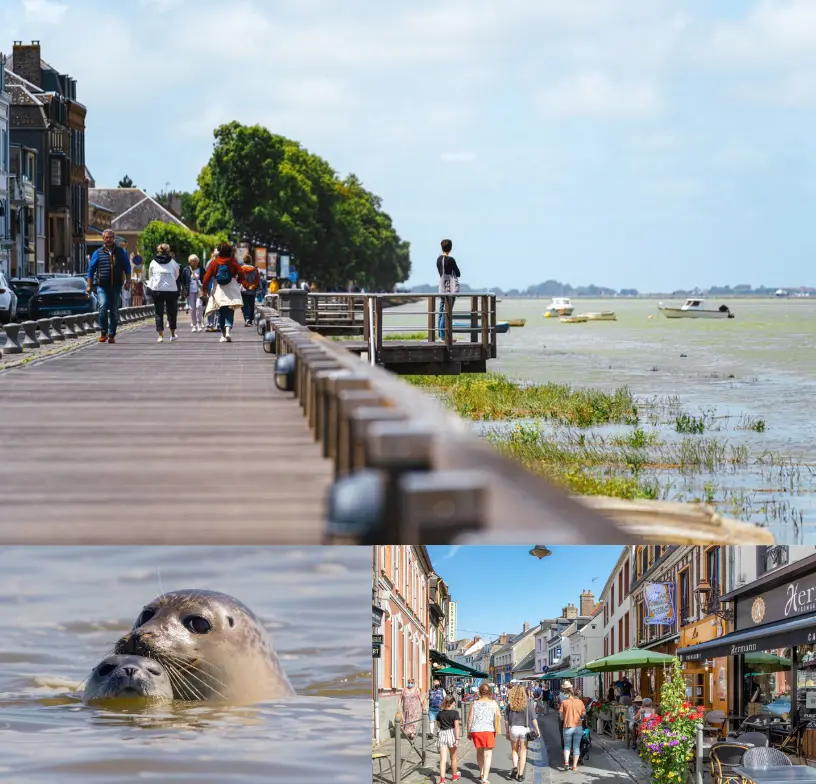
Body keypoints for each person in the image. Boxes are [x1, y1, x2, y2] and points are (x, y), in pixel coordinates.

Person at [86, 229, 132, 344]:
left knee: (114, 311)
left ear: (114, 238)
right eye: (106, 237)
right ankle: (103, 333)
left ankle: (111, 335)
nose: (108, 239)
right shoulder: (97, 253)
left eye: (110, 237)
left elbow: (127, 267)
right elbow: (91, 270)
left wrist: (128, 281)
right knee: (102, 306)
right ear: (103, 239)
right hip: (102, 286)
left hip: (116, 286)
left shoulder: (121, 252)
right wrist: (89, 286)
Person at [201, 243, 246, 343]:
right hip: (231, 287)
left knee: (221, 312)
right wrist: (239, 281)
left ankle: (223, 334)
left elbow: (206, 277)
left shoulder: (214, 262)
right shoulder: (232, 261)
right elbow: (241, 273)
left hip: (219, 288)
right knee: (230, 310)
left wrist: (204, 289)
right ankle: (228, 330)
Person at [467, 682, 501, 784]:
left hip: (476, 730)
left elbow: (470, 718)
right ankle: (485, 778)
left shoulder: (475, 703)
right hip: (488, 730)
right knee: (488, 754)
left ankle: (481, 771)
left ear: (480, 692)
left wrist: (468, 731)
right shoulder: (494, 703)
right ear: (490, 692)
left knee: (479, 752)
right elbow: (498, 715)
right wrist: (497, 728)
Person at [147, 243, 181, 343]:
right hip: (171, 289)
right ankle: (172, 334)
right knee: (172, 312)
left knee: (158, 312)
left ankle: (160, 336)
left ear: (158, 251)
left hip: (157, 289)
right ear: (168, 251)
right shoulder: (173, 262)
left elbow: (150, 275)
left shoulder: (153, 262)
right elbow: (177, 275)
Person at [505, 684, 537, 781]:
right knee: (523, 752)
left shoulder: (510, 706)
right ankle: (520, 775)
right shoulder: (528, 705)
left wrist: (507, 731)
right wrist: (537, 730)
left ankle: (515, 767)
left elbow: (506, 720)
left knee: (514, 750)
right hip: (524, 729)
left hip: (514, 729)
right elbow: (534, 719)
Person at [436, 238, 461, 342]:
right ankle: (444, 337)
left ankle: (440, 335)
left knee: (441, 312)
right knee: (446, 312)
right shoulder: (451, 260)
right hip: (450, 289)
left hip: (442, 287)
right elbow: (458, 273)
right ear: (450, 248)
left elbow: (440, 273)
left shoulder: (438, 259)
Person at [560, 686, 586, 773]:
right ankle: (574, 766)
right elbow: (583, 714)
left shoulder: (564, 702)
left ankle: (566, 763)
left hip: (567, 726)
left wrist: (566, 717)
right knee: (576, 746)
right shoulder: (580, 702)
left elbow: (561, 716)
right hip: (578, 726)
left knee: (567, 746)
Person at [436, 695, 461, 783]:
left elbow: (438, 725)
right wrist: (457, 739)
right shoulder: (455, 713)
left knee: (442, 759)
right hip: (451, 734)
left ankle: (442, 779)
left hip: (442, 734)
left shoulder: (439, 713)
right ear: (452, 703)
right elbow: (456, 727)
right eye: (454, 703)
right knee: (453, 758)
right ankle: (454, 776)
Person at [182, 255, 204, 332]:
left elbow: (205, 279)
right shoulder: (186, 270)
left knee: (199, 306)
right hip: (190, 291)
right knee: (192, 308)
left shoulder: (201, 270)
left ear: (198, 261)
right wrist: (184, 291)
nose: (194, 262)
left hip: (199, 290)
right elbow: (183, 281)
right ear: (189, 262)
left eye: (195, 261)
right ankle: (194, 325)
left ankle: (199, 323)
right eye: (192, 261)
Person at [239, 255, 260, 326]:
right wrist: (252, 286)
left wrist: (246, 286)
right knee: (251, 305)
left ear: (244, 261)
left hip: (243, 290)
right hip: (252, 291)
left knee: (245, 305)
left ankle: (247, 319)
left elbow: (241, 279)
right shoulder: (255, 270)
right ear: (250, 261)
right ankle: (251, 320)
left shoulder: (241, 269)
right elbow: (257, 280)